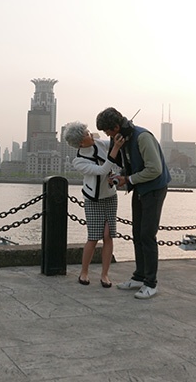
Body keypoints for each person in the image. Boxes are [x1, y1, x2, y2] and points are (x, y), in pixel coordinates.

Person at [95, 107, 171, 299]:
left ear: (116, 126)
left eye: (108, 132)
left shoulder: (142, 137)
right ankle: (139, 276)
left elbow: (155, 169)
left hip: (154, 189)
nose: (108, 135)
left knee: (147, 234)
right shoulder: (122, 139)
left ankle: (151, 283)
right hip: (140, 188)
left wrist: (128, 180)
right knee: (137, 232)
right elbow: (128, 166)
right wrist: (121, 175)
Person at [63, 121, 125, 288]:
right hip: (93, 200)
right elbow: (102, 170)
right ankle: (84, 271)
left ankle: (105, 274)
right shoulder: (79, 161)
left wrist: (119, 137)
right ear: (81, 142)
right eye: (86, 134)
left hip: (110, 196)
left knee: (108, 235)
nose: (90, 134)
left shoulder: (98, 143)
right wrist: (116, 149)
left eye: (88, 131)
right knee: (93, 237)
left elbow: (111, 144)